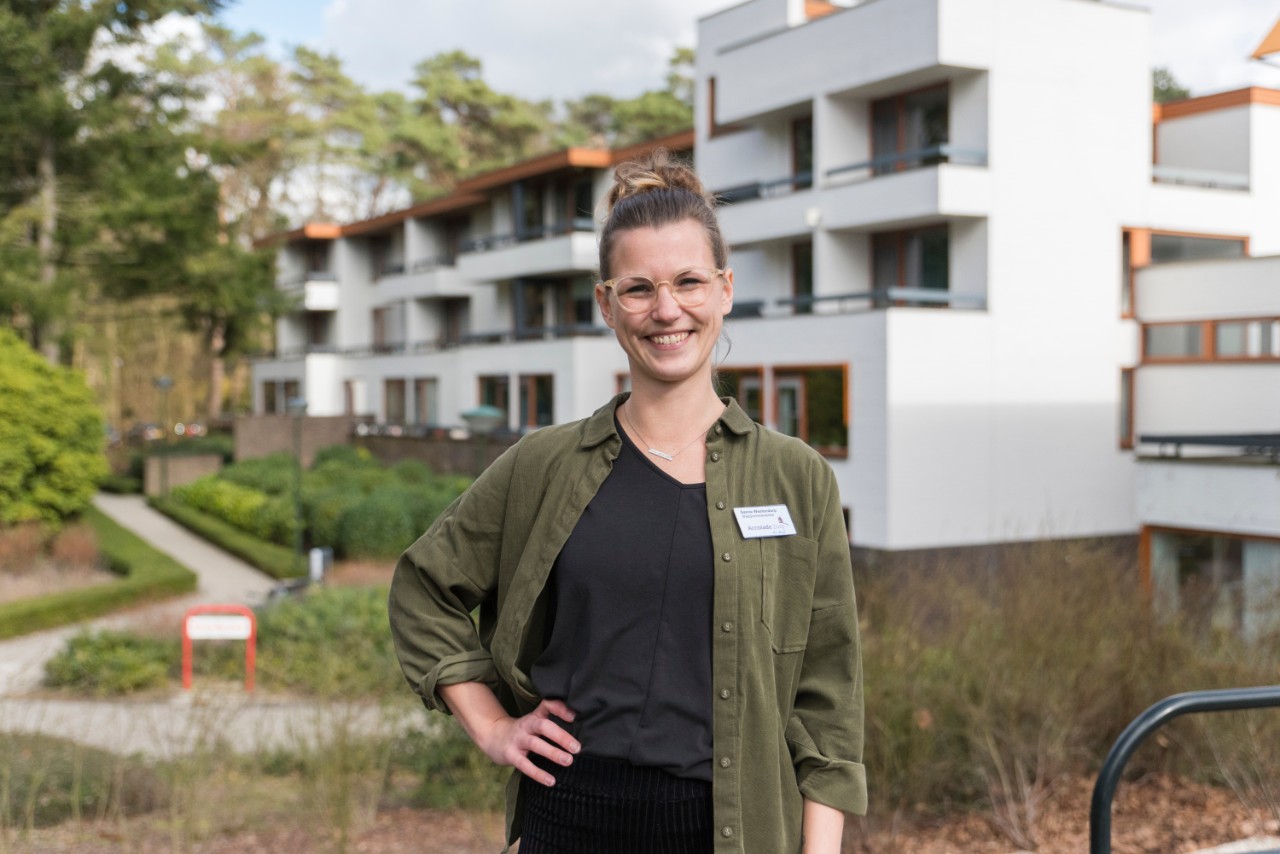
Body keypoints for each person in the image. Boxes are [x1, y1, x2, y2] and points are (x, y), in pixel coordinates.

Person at [388, 149, 865, 853]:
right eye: (638, 289)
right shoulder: (542, 467)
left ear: (725, 290)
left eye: (689, 281)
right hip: (569, 823)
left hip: (728, 832)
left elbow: (828, 700)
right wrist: (492, 724)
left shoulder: (796, 478)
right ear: (607, 304)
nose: (667, 310)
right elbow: (423, 588)